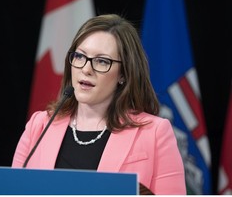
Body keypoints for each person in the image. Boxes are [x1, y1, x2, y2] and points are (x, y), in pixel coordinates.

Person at [12, 14, 186, 195]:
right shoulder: (39, 126)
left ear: (123, 74)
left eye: (102, 61)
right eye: (80, 56)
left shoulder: (155, 132)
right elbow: (12, 190)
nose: (86, 69)